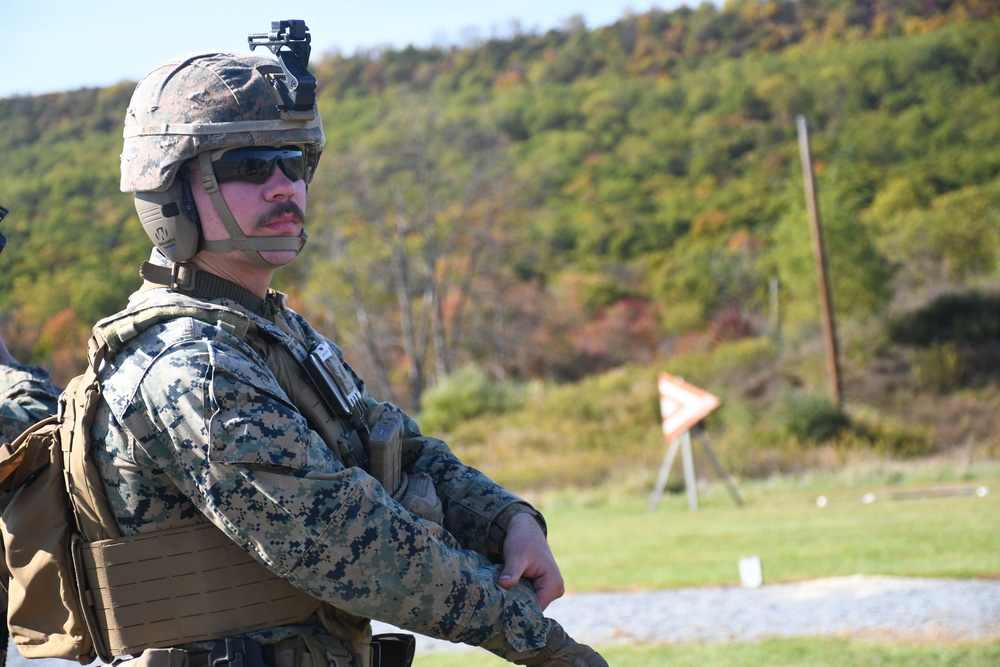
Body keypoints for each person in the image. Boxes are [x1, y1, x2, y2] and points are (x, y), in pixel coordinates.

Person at [84, 23, 607, 667]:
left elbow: (401, 451)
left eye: (296, 163)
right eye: (249, 167)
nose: (285, 187)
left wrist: (508, 521)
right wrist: (550, 649)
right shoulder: (189, 364)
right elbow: (353, 544)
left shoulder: (272, 333)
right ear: (168, 193)